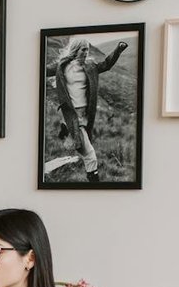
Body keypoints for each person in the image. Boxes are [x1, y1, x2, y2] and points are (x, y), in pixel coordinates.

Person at [51, 35, 127, 183]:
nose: (86, 52)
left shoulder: (90, 66)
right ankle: (94, 180)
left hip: (86, 114)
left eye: (87, 49)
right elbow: (42, 69)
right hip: (72, 113)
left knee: (81, 145)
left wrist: (118, 50)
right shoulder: (62, 66)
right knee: (89, 153)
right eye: (83, 49)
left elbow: (106, 64)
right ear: (76, 50)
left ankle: (66, 133)